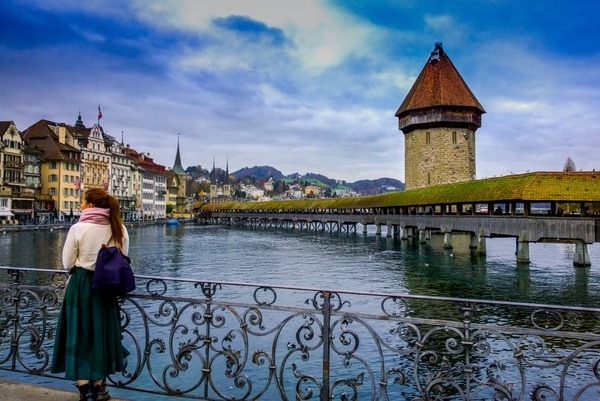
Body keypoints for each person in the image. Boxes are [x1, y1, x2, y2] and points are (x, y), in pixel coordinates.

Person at [51, 188, 130, 401]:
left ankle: (84, 392)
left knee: (79, 335)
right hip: (107, 289)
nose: (80, 206)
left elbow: (67, 263)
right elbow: (123, 260)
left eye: (83, 202)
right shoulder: (119, 228)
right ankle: (98, 389)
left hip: (82, 286)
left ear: (91, 206)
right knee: (100, 336)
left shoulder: (78, 228)